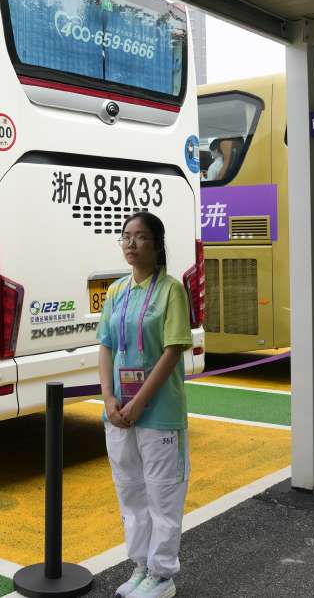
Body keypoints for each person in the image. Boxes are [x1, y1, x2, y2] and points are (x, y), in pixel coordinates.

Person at [98, 211, 192, 598]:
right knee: (131, 492)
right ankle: (140, 566)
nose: (131, 244)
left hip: (158, 412)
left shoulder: (171, 290)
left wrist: (138, 403)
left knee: (162, 496)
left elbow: (172, 351)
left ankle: (162, 575)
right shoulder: (118, 291)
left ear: (157, 244)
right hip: (118, 412)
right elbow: (105, 344)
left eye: (140, 237)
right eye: (125, 237)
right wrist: (108, 397)